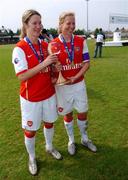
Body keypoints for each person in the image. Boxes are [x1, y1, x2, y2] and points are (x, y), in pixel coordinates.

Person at [12, 9, 62, 176]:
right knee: (31, 130)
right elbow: (22, 76)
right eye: (34, 23)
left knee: (50, 123)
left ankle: (49, 147)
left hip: (48, 93)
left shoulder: (45, 45)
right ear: (26, 25)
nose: (38, 26)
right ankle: (32, 157)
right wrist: (45, 63)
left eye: (40, 23)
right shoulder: (19, 48)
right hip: (30, 98)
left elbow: (52, 67)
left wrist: (56, 67)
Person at [49, 12, 97, 156]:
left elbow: (87, 63)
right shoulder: (53, 44)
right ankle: (71, 140)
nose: (71, 26)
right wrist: (53, 68)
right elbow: (50, 67)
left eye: (73, 23)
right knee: (68, 113)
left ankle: (84, 138)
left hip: (78, 84)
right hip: (62, 87)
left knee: (82, 111)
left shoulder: (81, 41)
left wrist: (75, 77)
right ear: (61, 24)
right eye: (68, 23)